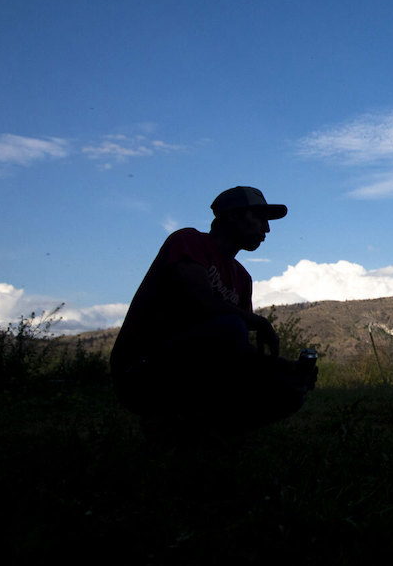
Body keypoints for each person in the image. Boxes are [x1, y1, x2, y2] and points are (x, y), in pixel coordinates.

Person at [109, 186, 316, 438]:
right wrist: (260, 323)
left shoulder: (242, 278)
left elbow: (238, 352)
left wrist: (287, 368)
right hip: (142, 371)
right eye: (260, 218)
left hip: (200, 373)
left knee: (291, 392)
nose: (267, 229)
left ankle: (201, 432)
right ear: (232, 216)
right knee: (230, 327)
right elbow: (201, 302)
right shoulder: (188, 241)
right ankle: (167, 421)